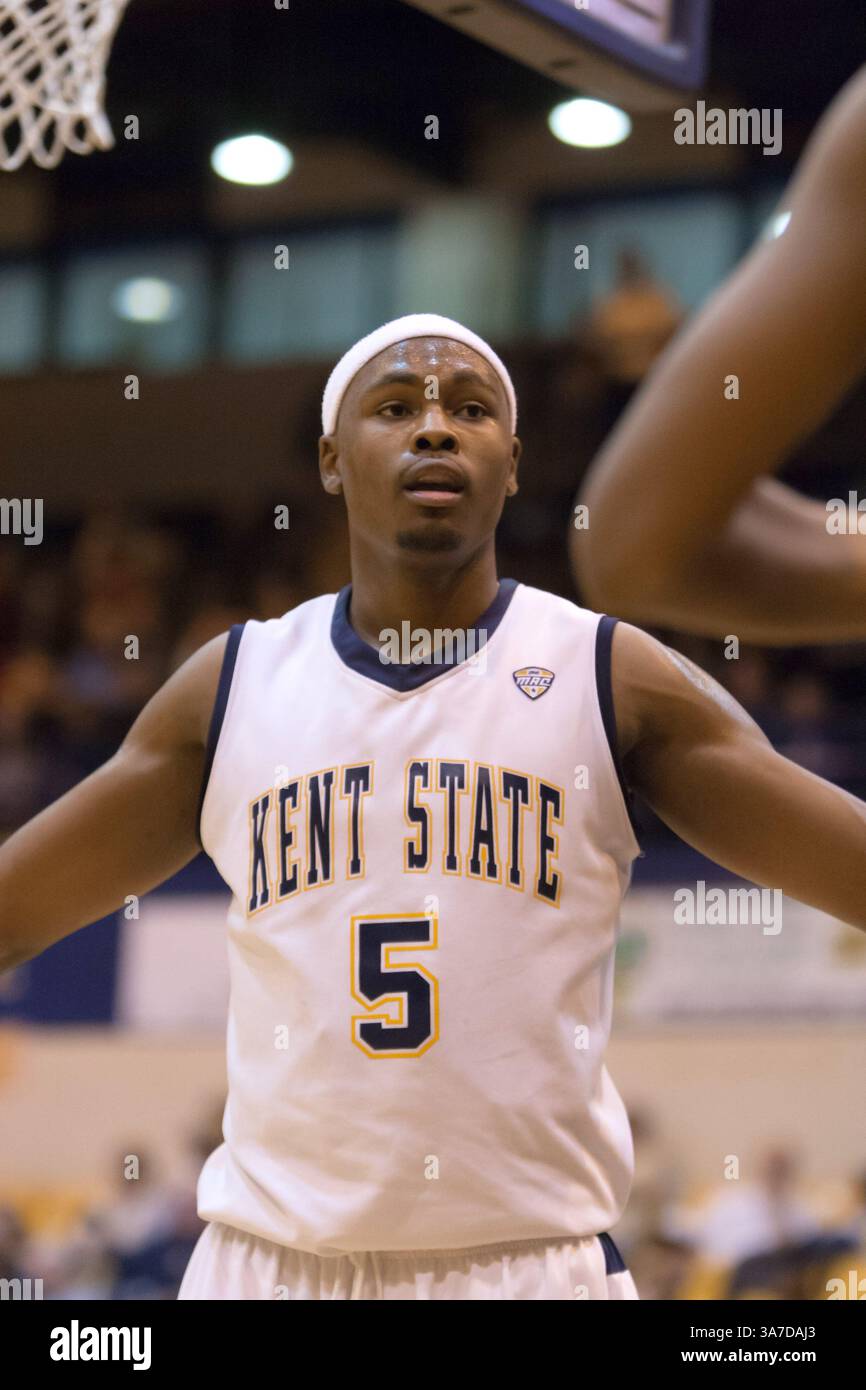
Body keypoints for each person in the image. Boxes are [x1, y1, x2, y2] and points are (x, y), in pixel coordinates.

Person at [1, 313, 865, 1302]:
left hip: (528, 1268)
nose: (436, 427)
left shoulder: (605, 672)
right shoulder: (234, 684)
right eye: (394, 407)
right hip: (266, 1270)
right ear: (331, 460)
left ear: (511, 464)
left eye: (471, 409)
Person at [572, 64, 866, 645]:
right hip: (633, 403)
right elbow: (634, 552)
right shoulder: (620, 306)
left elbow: (632, 552)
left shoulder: (654, 304)